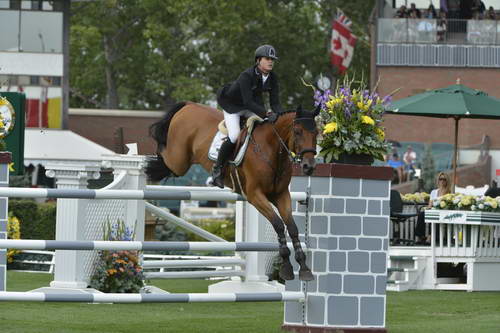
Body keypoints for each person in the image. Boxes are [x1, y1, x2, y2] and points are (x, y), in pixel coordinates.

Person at [213, 44, 284, 188]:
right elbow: (247, 101)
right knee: (234, 136)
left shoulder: (273, 77)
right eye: (267, 58)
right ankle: (217, 170)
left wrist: (281, 116)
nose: (270, 62)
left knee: (264, 129)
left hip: (250, 106)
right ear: (258, 60)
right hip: (233, 106)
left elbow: (275, 102)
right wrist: (266, 113)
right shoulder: (247, 75)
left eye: (272, 59)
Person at [415, 172, 452, 244]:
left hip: (443, 212)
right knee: (421, 215)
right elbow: (430, 205)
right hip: (433, 210)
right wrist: (428, 208)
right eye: (440, 179)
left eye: (444, 179)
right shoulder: (434, 192)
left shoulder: (449, 192)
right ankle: (420, 236)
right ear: (438, 180)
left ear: (447, 181)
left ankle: (430, 237)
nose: (442, 181)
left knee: (434, 216)